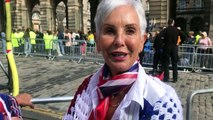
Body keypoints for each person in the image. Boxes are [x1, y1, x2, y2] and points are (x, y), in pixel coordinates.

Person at [63, 0, 183, 119]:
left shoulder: (162, 101)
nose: (119, 41)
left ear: (142, 41)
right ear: (97, 41)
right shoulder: (86, 87)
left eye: (130, 31)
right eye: (110, 31)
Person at [160, 18, 186, 82]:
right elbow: (184, 36)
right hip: (174, 48)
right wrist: (180, 42)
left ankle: (166, 78)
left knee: (166, 63)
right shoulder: (176, 30)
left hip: (166, 47)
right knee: (174, 64)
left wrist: (162, 43)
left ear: (168, 23)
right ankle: (175, 78)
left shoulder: (165, 30)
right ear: (173, 23)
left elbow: (159, 37)